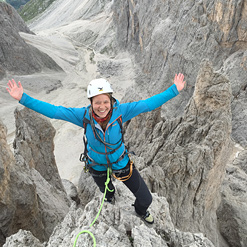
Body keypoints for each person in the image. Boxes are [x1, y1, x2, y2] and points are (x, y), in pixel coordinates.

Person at [6, 74, 186, 224]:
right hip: (96, 165)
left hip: (121, 162)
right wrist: (23, 98)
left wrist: (174, 89)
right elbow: (54, 111)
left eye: (105, 102)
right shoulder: (83, 116)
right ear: (91, 102)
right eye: (97, 102)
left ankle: (140, 211)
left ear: (111, 100)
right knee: (107, 193)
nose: (102, 107)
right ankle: (110, 196)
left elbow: (149, 104)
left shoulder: (122, 111)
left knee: (146, 199)